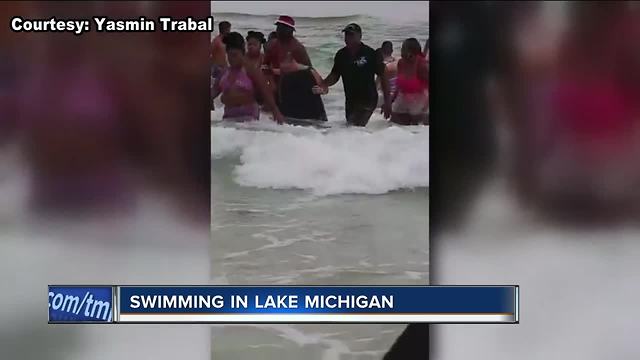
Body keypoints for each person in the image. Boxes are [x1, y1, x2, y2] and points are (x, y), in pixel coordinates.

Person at [318, 23, 391, 126]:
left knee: (356, 126)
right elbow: (335, 75)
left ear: (360, 36)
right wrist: (323, 84)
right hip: (351, 100)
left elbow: (383, 76)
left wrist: (387, 102)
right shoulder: (341, 55)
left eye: (351, 35)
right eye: (346, 35)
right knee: (352, 127)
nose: (348, 38)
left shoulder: (370, 53)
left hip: (368, 98)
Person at [263, 15, 328, 123]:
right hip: (278, 86)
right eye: (278, 27)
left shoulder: (298, 48)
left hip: (294, 87)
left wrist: (322, 87)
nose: (278, 30)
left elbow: (309, 70)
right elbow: (265, 66)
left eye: (282, 28)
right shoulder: (273, 45)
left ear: (290, 31)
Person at [211, 32, 284, 124]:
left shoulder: (251, 70)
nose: (231, 59)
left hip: (249, 120)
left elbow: (265, 90)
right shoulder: (224, 73)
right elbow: (214, 91)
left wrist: (275, 111)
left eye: (235, 55)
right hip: (228, 118)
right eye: (229, 55)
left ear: (242, 53)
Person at [390, 38, 428, 125]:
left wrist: (426, 106)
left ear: (412, 51)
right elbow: (398, 86)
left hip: (419, 99)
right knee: (394, 124)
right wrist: (391, 100)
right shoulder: (401, 63)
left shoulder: (421, 65)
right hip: (402, 97)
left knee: (416, 128)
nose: (402, 50)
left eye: (404, 48)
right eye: (402, 48)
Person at [211, 21, 231, 110]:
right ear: (224, 29)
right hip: (217, 67)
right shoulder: (216, 41)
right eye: (228, 29)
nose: (229, 31)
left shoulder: (226, 42)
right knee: (219, 88)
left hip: (224, 68)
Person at [377, 41, 398, 107]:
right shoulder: (398, 62)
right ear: (392, 50)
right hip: (397, 94)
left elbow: (377, 85)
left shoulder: (382, 65)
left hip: (386, 96)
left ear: (382, 51)